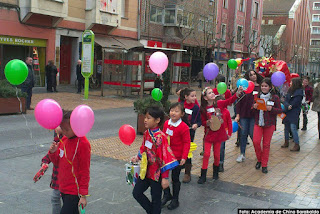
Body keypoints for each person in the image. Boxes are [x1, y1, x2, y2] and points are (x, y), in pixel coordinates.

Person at [132, 106, 179, 214]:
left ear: (157, 120)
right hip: (145, 171)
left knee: (156, 200)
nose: (145, 120)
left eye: (148, 118)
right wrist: (137, 157)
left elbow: (165, 157)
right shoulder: (146, 133)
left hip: (157, 174)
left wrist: (165, 178)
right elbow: (144, 148)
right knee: (137, 193)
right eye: (145, 117)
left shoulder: (161, 137)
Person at [48, 110, 91, 214]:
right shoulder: (65, 140)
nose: (64, 132)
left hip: (74, 191)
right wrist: (53, 152)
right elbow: (58, 162)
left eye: (66, 129)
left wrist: (83, 195)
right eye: (62, 128)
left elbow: (84, 171)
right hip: (63, 188)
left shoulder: (83, 144)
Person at [198, 86, 243, 184]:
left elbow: (230, 100)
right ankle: (203, 175)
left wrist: (237, 93)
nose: (212, 93)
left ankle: (215, 172)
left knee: (217, 155)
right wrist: (207, 123)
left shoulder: (219, 103)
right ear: (205, 98)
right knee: (206, 154)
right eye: (209, 93)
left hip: (219, 134)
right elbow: (202, 122)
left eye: (212, 92)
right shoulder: (203, 109)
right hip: (209, 134)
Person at [162, 102, 191, 210]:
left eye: (176, 111)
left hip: (177, 157)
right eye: (172, 110)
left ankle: (175, 199)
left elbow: (187, 143)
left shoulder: (183, 127)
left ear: (182, 114)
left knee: (175, 178)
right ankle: (166, 194)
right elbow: (163, 138)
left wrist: (184, 157)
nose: (173, 113)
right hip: (166, 156)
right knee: (163, 176)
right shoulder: (166, 123)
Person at [252, 78, 282, 174]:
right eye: (262, 86)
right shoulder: (256, 96)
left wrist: (271, 109)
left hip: (269, 124)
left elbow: (280, 111)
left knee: (266, 145)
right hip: (258, 123)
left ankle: (264, 165)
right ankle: (259, 159)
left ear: (270, 87)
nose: (264, 88)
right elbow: (251, 109)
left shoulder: (275, 97)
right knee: (256, 141)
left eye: (266, 86)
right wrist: (254, 107)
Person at [235, 70, 262, 163]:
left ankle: (259, 153)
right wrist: (238, 114)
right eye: (251, 75)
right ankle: (242, 154)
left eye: (254, 74)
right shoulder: (244, 87)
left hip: (254, 114)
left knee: (253, 134)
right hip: (244, 114)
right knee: (243, 134)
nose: (253, 76)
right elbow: (238, 101)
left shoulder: (260, 87)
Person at [180, 88, 201, 183]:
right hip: (179, 131)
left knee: (188, 150)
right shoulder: (180, 106)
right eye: (192, 96)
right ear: (186, 97)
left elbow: (199, 120)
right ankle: (176, 170)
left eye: (195, 96)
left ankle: (187, 173)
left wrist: (196, 124)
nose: (194, 98)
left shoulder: (196, 108)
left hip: (190, 133)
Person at [41, 127, 63, 214]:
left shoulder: (68, 138)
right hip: (58, 174)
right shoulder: (57, 137)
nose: (55, 128)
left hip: (66, 174)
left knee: (62, 198)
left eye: (58, 126)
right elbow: (52, 151)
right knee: (56, 198)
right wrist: (45, 161)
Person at [281, 78, 304, 151]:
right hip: (287, 111)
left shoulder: (299, 92)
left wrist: (289, 105)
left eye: (291, 82)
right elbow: (285, 100)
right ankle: (286, 141)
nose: (290, 83)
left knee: (293, 127)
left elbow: (296, 102)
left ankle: (297, 144)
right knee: (286, 127)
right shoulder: (289, 91)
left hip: (294, 112)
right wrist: (287, 105)